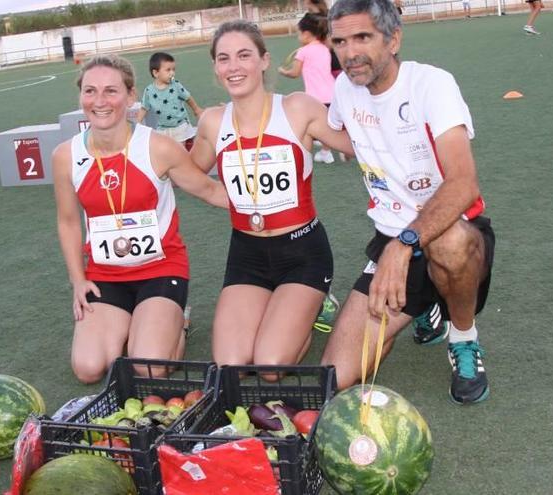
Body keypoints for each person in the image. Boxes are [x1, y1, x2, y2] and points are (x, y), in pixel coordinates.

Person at [321, 0, 496, 404]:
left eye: (362, 37)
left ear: (393, 38)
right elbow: (346, 138)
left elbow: (464, 183)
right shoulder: (345, 89)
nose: (349, 53)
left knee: (447, 244)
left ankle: (463, 336)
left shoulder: (431, 84)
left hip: (450, 231)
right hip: (390, 236)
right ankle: (425, 305)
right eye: (340, 41)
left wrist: (403, 245)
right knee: (337, 374)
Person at [52, 54, 228, 383]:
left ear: (131, 96)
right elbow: (68, 221)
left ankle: (177, 322)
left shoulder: (157, 147)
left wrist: (268, 205)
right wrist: (78, 279)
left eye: (111, 91)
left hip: (160, 269)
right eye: (90, 91)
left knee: (148, 367)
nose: (100, 101)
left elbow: (208, 189)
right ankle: (137, 323)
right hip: (104, 273)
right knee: (88, 368)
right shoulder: (65, 156)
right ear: (81, 97)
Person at [190, 20, 353, 373]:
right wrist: (232, 200)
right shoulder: (213, 122)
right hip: (246, 256)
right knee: (231, 364)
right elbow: (190, 174)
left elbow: (353, 146)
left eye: (244, 55)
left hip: (302, 253)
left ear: (264, 61)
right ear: (216, 68)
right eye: (224, 58)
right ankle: (281, 309)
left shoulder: (297, 108)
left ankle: (312, 308)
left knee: (269, 365)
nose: (234, 67)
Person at [279, 14, 336, 164]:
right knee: (328, 125)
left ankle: (317, 153)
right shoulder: (324, 48)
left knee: (307, 125)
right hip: (331, 93)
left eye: (299, 33)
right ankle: (326, 149)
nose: (298, 36)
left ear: (306, 34)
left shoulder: (303, 51)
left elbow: (294, 73)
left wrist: (283, 71)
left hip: (315, 98)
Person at [136, 52, 204, 151]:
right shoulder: (149, 91)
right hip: (162, 129)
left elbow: (188, 97)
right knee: (165, 151)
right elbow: (144, 108)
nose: (172, 73)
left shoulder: (176, 85)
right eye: (168, 70)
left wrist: (196, 110)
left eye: (173, 70)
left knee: (180, 151)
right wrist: (138, 123)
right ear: (156, 73)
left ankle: (183, 164)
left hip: (179, 126)